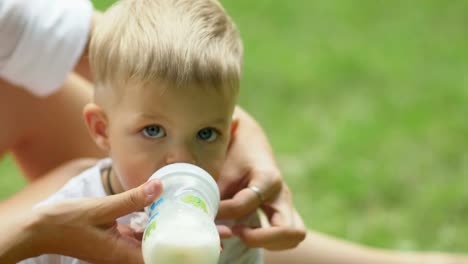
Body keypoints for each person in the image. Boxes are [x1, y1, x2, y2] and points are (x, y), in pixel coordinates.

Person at [0, 178, 163, 264]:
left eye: (190, 140)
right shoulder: (77, 194)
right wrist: (38, 235)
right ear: (101, 129)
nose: (178, 157)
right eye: (152, 130)